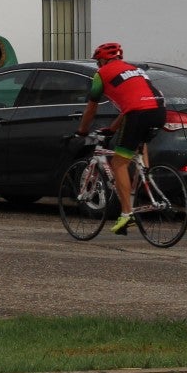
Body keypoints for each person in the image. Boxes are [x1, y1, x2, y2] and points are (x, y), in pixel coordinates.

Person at [74, 41, 168, 234]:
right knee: (138, 145)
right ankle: (146, 176)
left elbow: (92, 107)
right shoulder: (135, 70)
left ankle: (126, 215)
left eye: (98, 61)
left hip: (138, 114)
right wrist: (112, 128)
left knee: (118, 163)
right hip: (159, 111)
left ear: (102, 60)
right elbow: (131, 104)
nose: (98, 65)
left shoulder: (101, 75)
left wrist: (82, 130)